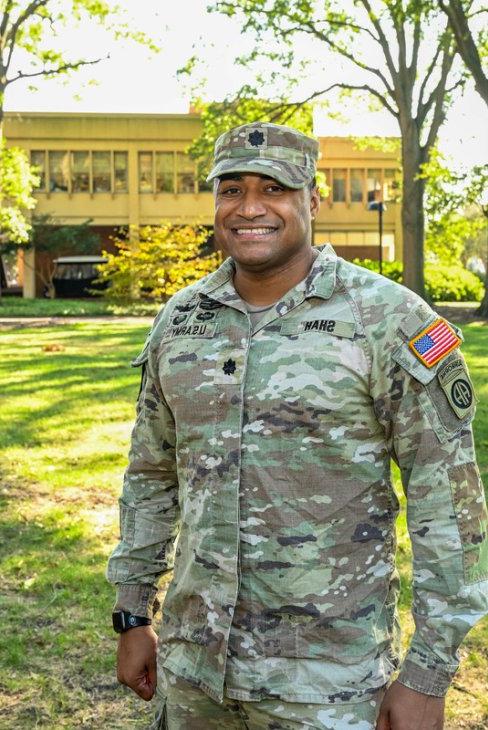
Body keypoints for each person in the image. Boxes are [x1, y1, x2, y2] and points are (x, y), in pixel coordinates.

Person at [107, 122, 488, 730]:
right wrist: (133, 614)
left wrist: (427, 674)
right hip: (194, 669)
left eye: (274, 189)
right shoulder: (181, 322)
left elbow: (449, 505)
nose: (249, 208)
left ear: (312, 201)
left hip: (325, 684)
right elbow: (151, 475)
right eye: (231, 190)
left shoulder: (388, 321)